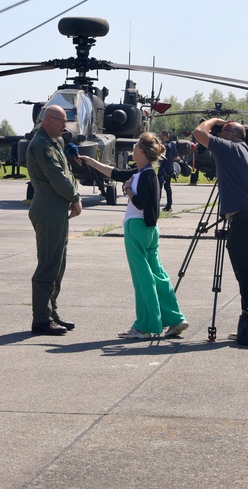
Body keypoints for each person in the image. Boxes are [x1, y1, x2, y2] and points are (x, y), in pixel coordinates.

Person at [78, 132, 189, 340]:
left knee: (142, 279)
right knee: (158, 275)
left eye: (137, 145)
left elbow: (139, 202)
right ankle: (175, 318)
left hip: (136, 228)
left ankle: (145, 325)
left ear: (142, 151)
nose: (133, 148)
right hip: (150, 230)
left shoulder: (144, 176)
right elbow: (115, 172)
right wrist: (91, 162)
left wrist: (128, 190)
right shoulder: (143, 172)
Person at [193, 118, 248, 310]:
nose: (218, 135)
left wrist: (214, 120)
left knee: (245, 271)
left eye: (222, 132)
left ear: (232, 135)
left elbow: (199, 133)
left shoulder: (229, 148)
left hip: (241, 218)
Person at [26, 105, 82, 336]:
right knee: (49, 264)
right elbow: (57, 177)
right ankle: (41, 320)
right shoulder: (41, 145)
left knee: (58, 264)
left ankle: (51, 312)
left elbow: (66, 171)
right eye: (61, 121)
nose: (64, 126)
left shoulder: (53, 143)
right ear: (48, 120)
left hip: (57, 207)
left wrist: (70, 198)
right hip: (49, 207)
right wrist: (75, 198)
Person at [158, 130, 180, 212]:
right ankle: (169, 205)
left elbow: (160, 157)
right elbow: (176, 158)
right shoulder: (173, 146)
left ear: (164, 136)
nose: (160, 137)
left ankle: (156, 204)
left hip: (163, 168)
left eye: (161, 136)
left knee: (159, 187)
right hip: (170, 168)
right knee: (168, 187)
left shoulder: (164, 146)